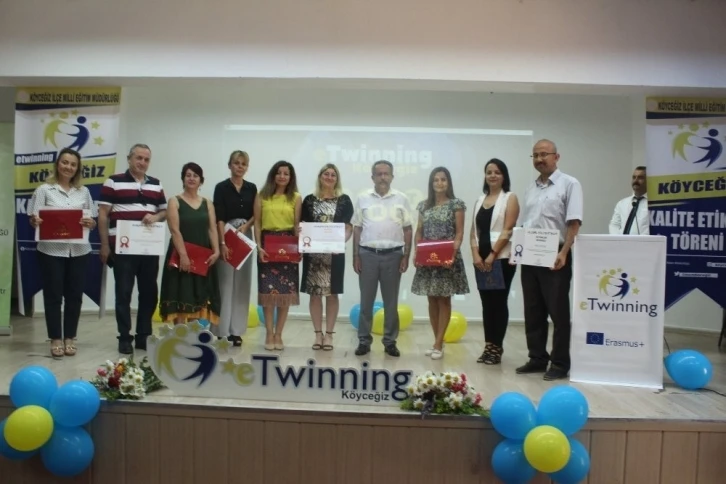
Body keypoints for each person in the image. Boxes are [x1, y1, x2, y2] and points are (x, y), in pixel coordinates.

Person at [516, 139, 583, 380]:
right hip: (530, 255)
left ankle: (560, 363)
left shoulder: (570, 184)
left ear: (556, 156)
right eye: (535, 155)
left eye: (544, 154)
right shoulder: (530, 188)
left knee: (558, 312)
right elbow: (525, 224)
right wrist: (517, 251)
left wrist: (564, 252)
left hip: (556, 254)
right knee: (533, 310)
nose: (539, 159)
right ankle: (537, 358)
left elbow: (573, 222)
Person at [28, 148, 97, 357]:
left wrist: (91, 223)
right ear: (58, 164)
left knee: (75, 296)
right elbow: (33, 219)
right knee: (53, 295)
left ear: (77, 169)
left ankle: (70, 338)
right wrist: (35, 221)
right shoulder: (44, 190)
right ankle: (56, 338)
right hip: (51, 251)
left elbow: (92, 220)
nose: (68, 167)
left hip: (79, 251)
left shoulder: (84, 192)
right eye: (65, 162)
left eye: (73, 164)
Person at [98, 143, 167, 355]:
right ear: (129, 159)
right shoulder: (113, 181)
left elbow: (164, 212)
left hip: (148, 249)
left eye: (146, 159)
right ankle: (124, 337)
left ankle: (143, 335)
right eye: (138, 158)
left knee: (149, 293)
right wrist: (104, 245)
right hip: (123, 249)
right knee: (123, 293)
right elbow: (103, 214)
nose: (142, 162)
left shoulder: (156, 184)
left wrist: (155, 216)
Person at [352, 160, 413, 357]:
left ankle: (390, 342)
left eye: (386, 174)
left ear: (392, 177)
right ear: (372, 177)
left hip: (394, 255)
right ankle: (364, 341)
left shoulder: (402, 198)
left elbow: (408, 229)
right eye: (379, 174)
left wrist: (406, 256)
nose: (383, 177)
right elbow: (357, 228)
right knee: (366, 302)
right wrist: (355, 256)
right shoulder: (363, 198)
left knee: (391, 303)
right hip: (367, 255)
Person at [411, 167, 469, 360]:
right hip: (428, 259)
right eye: (436, 180)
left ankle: (437, 343)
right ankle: (438, 342)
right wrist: (417, 252)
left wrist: (452, 254)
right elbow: (419, 231)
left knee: (444, 299)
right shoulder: (423, 206)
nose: (439, 183)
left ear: (448, 182)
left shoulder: (456, 204)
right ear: (431, 183)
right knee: (431, 299)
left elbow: (459, 233)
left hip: (447, 259)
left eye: (443, 179)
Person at [470, 158, 520, 365]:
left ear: (504, 176)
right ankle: (488, 346)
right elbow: (474, 231)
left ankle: (496, 348)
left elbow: (508, 230)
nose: (492, 175)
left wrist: (492, 255)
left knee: (498, 303)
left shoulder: (510, 198)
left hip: (501, 259)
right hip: (481, 261)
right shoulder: (480, 199)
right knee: (486, 304)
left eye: (497, 172)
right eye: (489, 172)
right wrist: (476, 255)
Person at [159, 162, 221, 325]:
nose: (192, 178)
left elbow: (212, 228)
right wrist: (184, 256)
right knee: (181, 295)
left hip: (202, 256)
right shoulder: (174, 201)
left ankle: (193, 336)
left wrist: (216, 251)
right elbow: (175, 230)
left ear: (201, 180)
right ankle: (179, 335)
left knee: (198, 296)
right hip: (181, 256)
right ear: (183, 179)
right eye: (188, 175)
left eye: (195, 175)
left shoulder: (207, 202)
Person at [301, 164, 354, 351]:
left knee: (333, 294)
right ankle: (318, 334)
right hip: (313, 255)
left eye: (333, 175)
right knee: (315, 294)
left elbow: (348, 227)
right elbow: (303, 225)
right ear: (320, 176)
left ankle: (329, 334)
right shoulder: (309, 200)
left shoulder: (344, 200)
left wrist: (340, 242)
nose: (329, 177)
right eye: (326, 174)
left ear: (337, 179)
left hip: (334, 254)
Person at [253, 160, 301, 351]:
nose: (282, 176)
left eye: (286, 174)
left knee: (285, 294)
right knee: (268, 293)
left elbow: (297, 225)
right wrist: (259, 247)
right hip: (267, 245)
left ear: (291, 177)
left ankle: (279, 334)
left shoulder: (296, 197)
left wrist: (299, 249)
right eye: (279, 173)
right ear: (273, 175)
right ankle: (268, 333)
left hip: (288, 246)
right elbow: (257, 223)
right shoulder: (262, 196)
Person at [213, 150, 258, 346]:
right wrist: (222, 242)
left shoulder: (252, 188)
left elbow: (257, 213)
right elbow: (219, 217)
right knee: (224, 283)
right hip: (227, 235)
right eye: (236, 163)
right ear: (229, 165)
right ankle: (220, 329)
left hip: (245, 236)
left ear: (247, 167)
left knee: (242, 283)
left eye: (243, 164)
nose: (240, 167)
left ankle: (236, 331)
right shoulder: (221, 187)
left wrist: (247, 227)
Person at [609, 166, 649, 235]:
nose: (636, 180)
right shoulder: (622, 203)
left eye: (640, 178)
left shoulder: (653, 204)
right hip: (621, 241)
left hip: (643, 241)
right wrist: (618, 239)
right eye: (634, 177)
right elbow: (614, 224)